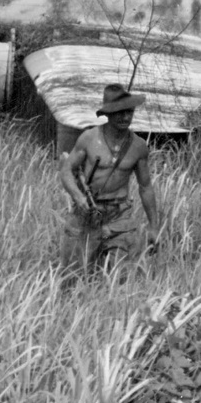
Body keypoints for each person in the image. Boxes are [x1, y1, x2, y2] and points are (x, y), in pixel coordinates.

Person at [59, 83, 162, 272]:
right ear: (108, 113)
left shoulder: (138, 147)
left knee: (122, 275)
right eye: (119, 112)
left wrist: (154, 227)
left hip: (119, 214)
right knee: (73, 273)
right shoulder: (89, 139)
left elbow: (145, 187)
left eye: (129, 112)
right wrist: (78, 196)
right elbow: (66, 171)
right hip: (86, 212)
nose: (125, 117)